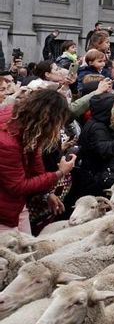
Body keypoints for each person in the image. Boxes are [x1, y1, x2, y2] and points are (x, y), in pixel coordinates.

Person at [0, 90, 74, 233]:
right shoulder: (7, 142)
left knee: (28, 243)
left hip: (14, 203)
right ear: (48, 120)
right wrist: (59, 173)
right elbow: (17, 186)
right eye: (59, 123)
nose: (59, 128)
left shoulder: (24, 122)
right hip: (4, 209)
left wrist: (46, 193)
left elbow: (34, 158)